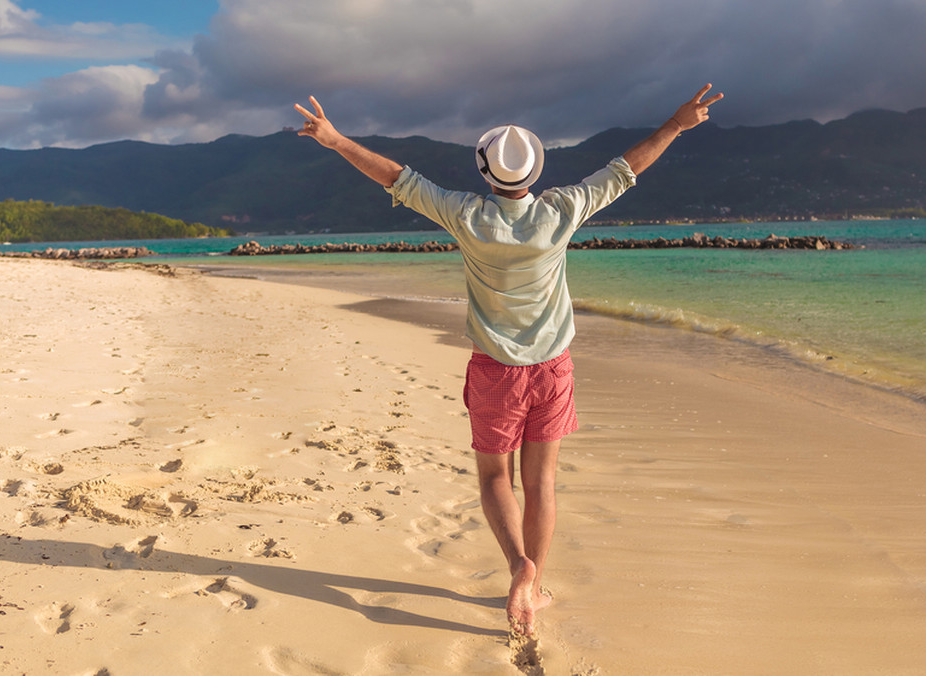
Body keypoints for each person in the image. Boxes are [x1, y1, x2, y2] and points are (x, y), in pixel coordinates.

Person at [294, 85, 723, 635]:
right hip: (553, 369)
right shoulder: (561, 210)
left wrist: (335, 140)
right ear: (535, 172)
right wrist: (675, 125)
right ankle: (535, 582)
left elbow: (396, 177)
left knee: (496, 476)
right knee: (541, 483)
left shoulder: (466, 214)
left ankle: (517, 564)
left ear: (485, 172)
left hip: (495, 369)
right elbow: (624, 171)